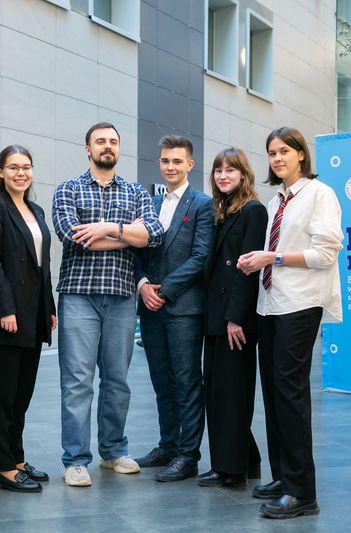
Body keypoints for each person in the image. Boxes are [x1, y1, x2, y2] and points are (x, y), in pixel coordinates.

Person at [237, 127, 343, 519]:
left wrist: (273, 258)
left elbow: (325, 253)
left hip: (300, 303)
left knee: (291, 394)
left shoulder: (320, 194)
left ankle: (302, 493)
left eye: (285, 151)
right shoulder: (275, 200)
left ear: (301, 154)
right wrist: (258, 261)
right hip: (271, 304)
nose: (277, 158)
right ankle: (282, 477)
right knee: (273, 393)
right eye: (271, 152)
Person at [52, 122, 163, 487]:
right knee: (78, 382)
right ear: (88, 149)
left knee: (117, 380)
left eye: (113, 141)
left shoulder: (136, 192)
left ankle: (114, 451)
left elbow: (154, 234)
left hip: (121, 297)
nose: (107, 146)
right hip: (78, 296)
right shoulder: (68, 188)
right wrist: (128, 234)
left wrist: (105, 228)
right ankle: (75, 460)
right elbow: (72, 236)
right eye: (100, 141)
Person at [133, 135, 213, 482]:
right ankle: (167, 445)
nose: (170, 167)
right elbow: (135, 252)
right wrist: (142, 284)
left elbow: (200, 256)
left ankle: (187, 455)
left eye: (177, 161)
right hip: (151, 306)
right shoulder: (149, 203)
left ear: (189, 165)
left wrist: (164, 290)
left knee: (186, 381)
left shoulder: (202, 205)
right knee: (161, 381)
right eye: (165, 160)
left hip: (183, 308)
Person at [0, 145, 57, 493]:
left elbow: (44, 266)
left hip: (35, 312)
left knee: (22, 393)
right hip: (10, 315)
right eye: (13, 167)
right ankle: (2, 468)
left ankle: (16, 458)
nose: (20, 173)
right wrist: (5, 309)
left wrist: (50, 307)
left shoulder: (36, 209)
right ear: (1, 172)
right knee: (2, 394)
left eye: (26, 167)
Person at [200, 147, 268, 489]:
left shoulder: (253, 210)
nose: (223, 175)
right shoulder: (223, 211)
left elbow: (247, 270)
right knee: (219, 392)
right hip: (216, 316)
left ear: (243, 174)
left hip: (234, 320)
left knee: (230, 395)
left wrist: (235, 318)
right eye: (218, 170)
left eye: (230, 170)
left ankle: (230, 470)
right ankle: (248, 460)